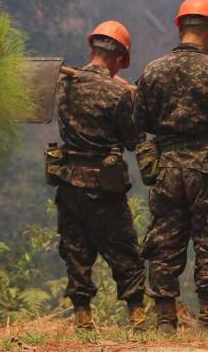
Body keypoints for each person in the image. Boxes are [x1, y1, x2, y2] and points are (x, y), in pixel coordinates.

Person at [135, 0, 208, 334]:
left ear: (181, 27)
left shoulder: (152, 71)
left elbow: (137, 120)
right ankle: (207, 321)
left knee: (164, 240)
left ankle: (165, 322)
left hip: (166, 169)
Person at [50, 20, 146, 332]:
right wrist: (131, 100)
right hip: (104, 187)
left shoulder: (65, 83)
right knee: (123, 248)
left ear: (92, 49)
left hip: (68, 182)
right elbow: (132, 139)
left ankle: (83, 316)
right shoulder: (119, 96)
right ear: (120, 59)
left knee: (76, 249)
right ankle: (137, 316)